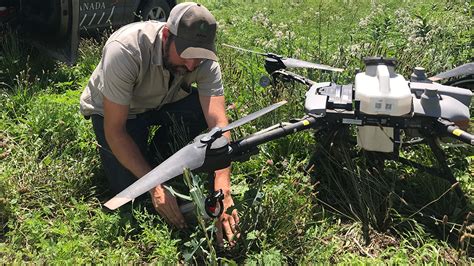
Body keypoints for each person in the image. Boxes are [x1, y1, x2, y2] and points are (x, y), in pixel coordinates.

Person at [79, 2, 239, 246]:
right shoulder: (125, 49)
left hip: (165, 101)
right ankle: (150, 165)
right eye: (186, 54)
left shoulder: (203, 61)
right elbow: (116, 131)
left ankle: (154, 156)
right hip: (122, 113)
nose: (191, 65)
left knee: (198, 111)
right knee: (133, 192)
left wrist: (223, 186)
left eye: (200, 56)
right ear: (166, 35)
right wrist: (155, 185)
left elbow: (218, 124)